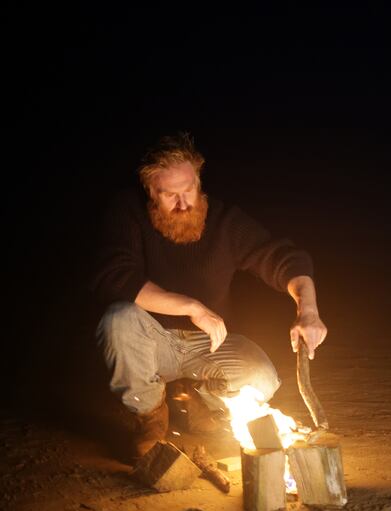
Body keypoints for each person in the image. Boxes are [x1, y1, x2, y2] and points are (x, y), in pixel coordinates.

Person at [89, 132, 327, 460]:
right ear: (150, 192)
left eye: (189, 190)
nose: (183, 203)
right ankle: (151, 417)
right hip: (151, 340)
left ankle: (199, 401)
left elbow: (284, 259)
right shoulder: (127, 212)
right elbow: (115, 276)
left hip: (208, 343)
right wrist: (191, 307)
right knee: (118, 319)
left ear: (198, 181)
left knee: (261, 380)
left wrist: (308, 311)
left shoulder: (224, 221)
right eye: (170, 195)